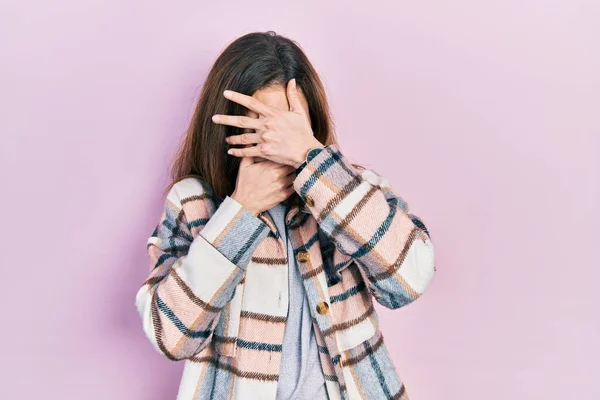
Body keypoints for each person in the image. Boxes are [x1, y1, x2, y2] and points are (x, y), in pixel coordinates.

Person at [135, 30, 436, 400]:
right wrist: (239, 210)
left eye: (287, 128)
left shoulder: (351, 189)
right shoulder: (194, 204)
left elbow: (411, 278)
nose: (275, 143)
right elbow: (171, 336)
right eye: (259, 127)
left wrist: (313, 159)